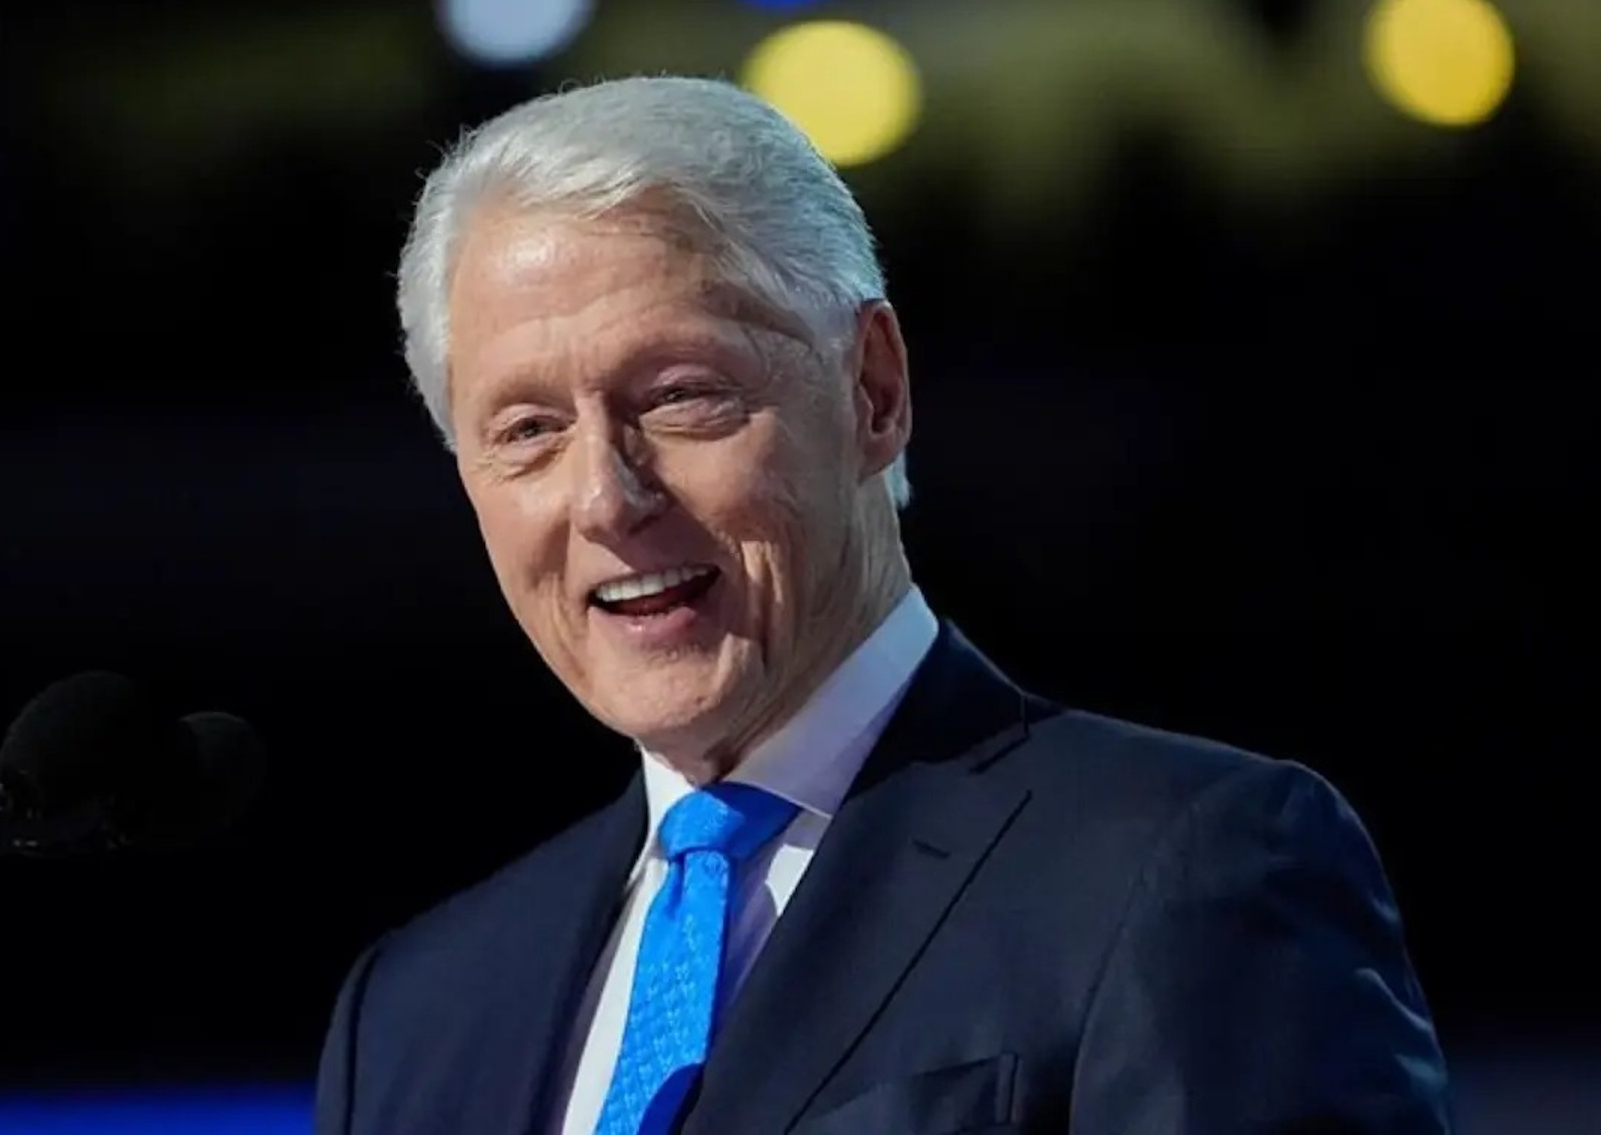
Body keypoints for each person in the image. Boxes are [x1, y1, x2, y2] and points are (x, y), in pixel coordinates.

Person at [312, 75, 1453, 1134]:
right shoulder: (414, 1013)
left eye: (681, 397)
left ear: (873, 389)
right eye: (526, 432)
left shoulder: (1182, 875)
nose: (607, 499)